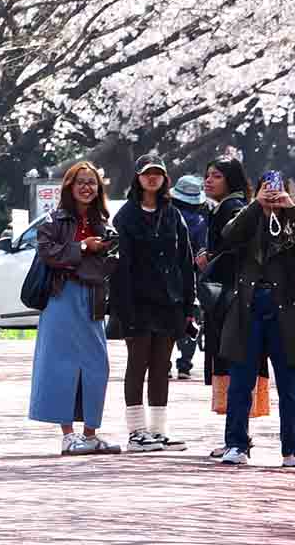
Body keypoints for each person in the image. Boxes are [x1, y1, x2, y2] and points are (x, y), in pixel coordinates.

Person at [217, 174, 295, 469]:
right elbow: (229, 235)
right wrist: (255, 206)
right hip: (249, 307)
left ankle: (293, 449)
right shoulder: (248, 217)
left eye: (277, 190)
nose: (272, 195)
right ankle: (236, 444)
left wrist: (291, 208)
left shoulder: (290, 220)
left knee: (289, 384)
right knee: (241, 382)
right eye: (266, 190)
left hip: (285, 308)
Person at [28, 159, 121, 456]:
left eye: (91, 182)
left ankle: (91, 433)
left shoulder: (105, 223)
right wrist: (83, 248)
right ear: (69, 186)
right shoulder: (53, 221)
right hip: (61, 296)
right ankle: (68, 435)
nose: (86, 187)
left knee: (97, 364)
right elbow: (47, 253)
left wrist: (109, 251)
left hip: (92, 296)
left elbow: (110, 265)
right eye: (80, 181)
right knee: (60, 364)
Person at [108, 155, 195, 453]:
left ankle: (158, 431)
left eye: (158, 174)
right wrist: (123, 309)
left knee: (161, 366)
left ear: (165, 179)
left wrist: (187, 305)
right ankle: (136, 432)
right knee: (137, 364)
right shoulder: (125, 217)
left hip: (169, 304)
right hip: (137, 304)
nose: (153, 179)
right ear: (138, 178)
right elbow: (120, 269)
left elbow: (185, 262)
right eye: (147, 174)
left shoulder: (173, 215)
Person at [199, 157, 252, 458]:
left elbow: (235, 250)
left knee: (235, 367)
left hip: (231, 298)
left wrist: (211, 259)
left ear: (230, 180)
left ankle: (238, 439)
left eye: (215, 176)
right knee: (231, 367)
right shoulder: (223, 208)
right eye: (207, 175)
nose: (208, 181)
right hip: (229, 297)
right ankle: (234, 436)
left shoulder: (233, 209)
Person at [168, 176, 211, 380]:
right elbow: (202, 251)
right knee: (191, 319)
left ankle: (163, 363)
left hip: (166, 275)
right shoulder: (200, 222)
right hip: (192, 276)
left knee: (166, 320)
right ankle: (184, 364)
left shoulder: (166, 215)